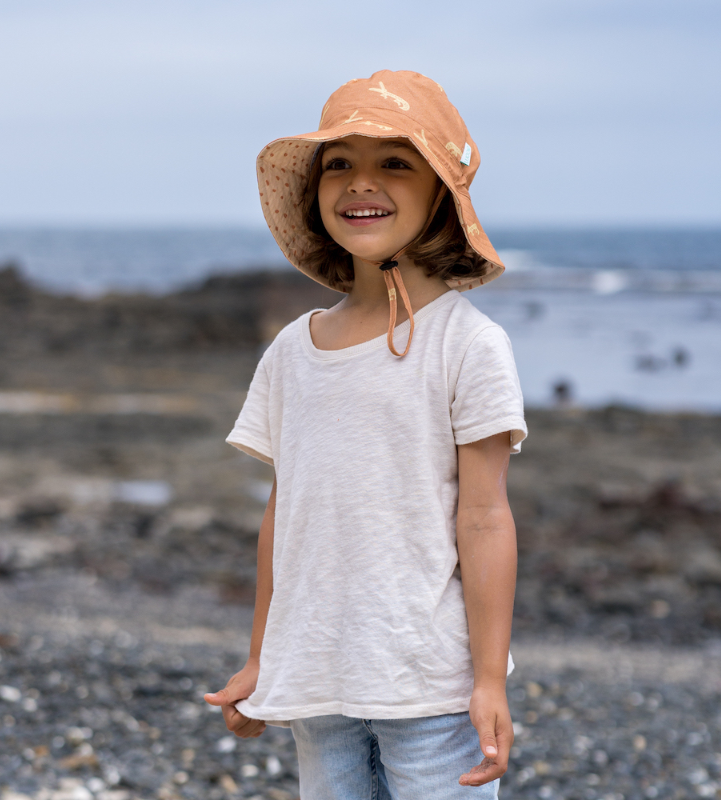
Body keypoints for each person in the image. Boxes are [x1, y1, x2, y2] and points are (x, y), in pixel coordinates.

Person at [204, 70, 527, 798]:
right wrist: (263, 659)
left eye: (394, 163)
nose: (360, 183)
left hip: (430, 685)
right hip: (320, 678)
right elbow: (285, 516)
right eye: (339, 164)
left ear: (440, 193)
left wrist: (487, 680)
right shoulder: (294, 350)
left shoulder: (468, 345)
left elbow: (483, 517)